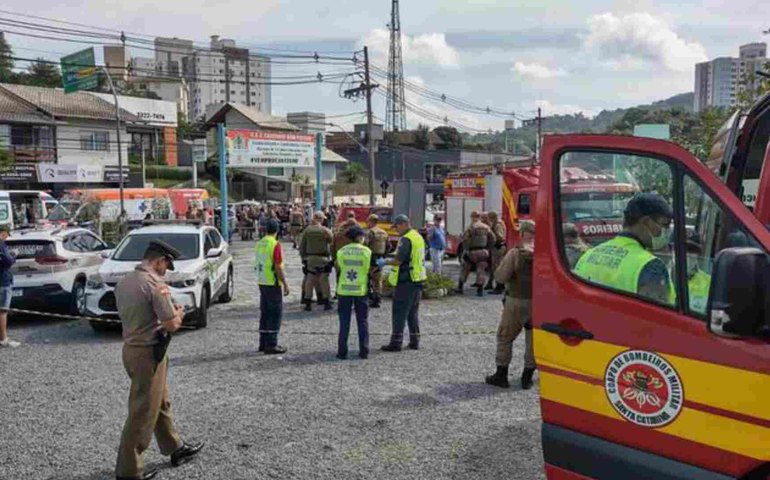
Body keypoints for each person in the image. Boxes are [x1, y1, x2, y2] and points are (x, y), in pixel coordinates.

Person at [114, 240, 204, 480]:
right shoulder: (156, 285)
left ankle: (175, 448)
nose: (166, 270)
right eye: (166, 265)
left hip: (132, 349)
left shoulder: (125, 281)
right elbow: (172, 324)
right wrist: (179, 313)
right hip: (149, 353)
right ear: (159, 260)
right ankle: (129, 471)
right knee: (142, 411)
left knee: (160, 401)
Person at [574, 192, 676, 305]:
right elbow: (658, 317)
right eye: (665, 225)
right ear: (646, 222)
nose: (667, 231)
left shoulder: (588, 256)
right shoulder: (650, 266)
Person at [485, 220, 537, 390]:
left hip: (516, 299)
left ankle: (501, 374)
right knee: (533, 340)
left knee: (505, 337)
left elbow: (500, 277)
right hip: (538, 302)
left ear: (522, 233)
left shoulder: (516, 253)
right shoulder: (543, 252)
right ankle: (527, 377)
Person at [381, 214, 427, 352]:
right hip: (417, 279)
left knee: (399, 313)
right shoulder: (417, 236)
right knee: (412, 313)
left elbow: (398, 261)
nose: (396, 230)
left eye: (397, 227)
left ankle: (396, 343)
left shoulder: (406, 239)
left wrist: (385, 262)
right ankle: (415, 340)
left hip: (406, 280)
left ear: (403, 224)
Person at [335, 226, 373, 359]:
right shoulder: (367, 251)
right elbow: (368, 269)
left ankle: (342, 352)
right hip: (360, 290)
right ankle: (364, 351)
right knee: (362, 321)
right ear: (359, 237)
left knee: (344, 321)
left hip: (344, 290)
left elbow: (339, 268)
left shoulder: (341, 251)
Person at [254, 219, 290, 354]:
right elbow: (277, 266)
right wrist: (285, 283)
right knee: (275, 314)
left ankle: (262, 342)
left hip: (262, 280)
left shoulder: (259, 243)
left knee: (265, 312)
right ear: (277, 230)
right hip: (272, 282)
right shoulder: (274, 244)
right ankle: (272, 344)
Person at [300, 211, 335, 311]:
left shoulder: (307, 230)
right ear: (321, 219)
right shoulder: (325, 230)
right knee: (324, 281)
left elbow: (302, 246)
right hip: (322, 258)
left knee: (310, 280)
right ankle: (326, 302)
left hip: (310, 258)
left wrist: (303, 259)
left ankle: (307, 303)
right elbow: (331, 242)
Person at [456, 211, 495, 297]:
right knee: (481, 270)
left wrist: (466, 250)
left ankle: (460, 287)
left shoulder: (471, 227)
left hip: (472, 251)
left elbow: (465, 240)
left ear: (472, 217)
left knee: (465, 268)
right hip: (484, 252)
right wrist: (488, 248)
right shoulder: (486, 227)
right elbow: (493, 238)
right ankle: (480, 290)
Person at [365, 213, 389, 308]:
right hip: (380, 258)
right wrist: (384, 256)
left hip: (371, 258)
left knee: (368, 278)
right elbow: (389, 246)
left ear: (371, 221)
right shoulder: (384, 232)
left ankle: (371, 298)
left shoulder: (370, 232)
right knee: (378, 279)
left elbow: (365, 245)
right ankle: (378, 298)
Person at [0, 225, 18, 348]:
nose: (6, 238)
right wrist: (14, 255)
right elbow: (7, 261)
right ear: (3, 233)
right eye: (6, 235)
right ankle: (4, 339)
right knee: (3, 311)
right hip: (3, 281)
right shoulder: (1, 245)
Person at [685, 234, 711, 315]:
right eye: (683, 250)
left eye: (692, 251)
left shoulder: (709, 281)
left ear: (698, 255)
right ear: (671, 251)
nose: (687, 255)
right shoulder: (662, 277)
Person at [486, 211, 507, 293]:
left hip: (498, 247)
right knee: (494, 267)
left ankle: (499, 286)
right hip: (497, 247)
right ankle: (490, 283)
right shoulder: (497, 224)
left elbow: (500, 236)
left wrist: (490, 233)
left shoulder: (498, 225)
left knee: (497, 267)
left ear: (492, 218)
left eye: (489, 218)